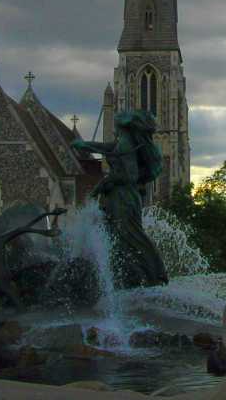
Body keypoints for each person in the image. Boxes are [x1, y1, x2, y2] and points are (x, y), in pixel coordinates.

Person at [71, 110, 168, 288]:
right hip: (118, 197)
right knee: (116, 235)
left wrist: (105, 183)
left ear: (123, 127)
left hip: (125, 198)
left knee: (131, 236)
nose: (114, 126)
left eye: (117, 123)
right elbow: (105, 147)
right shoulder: (122, 142)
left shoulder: (125, 144)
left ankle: (154, 274)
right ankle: (127, 276)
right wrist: (84, 145)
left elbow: (130, 176)